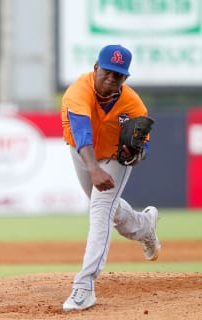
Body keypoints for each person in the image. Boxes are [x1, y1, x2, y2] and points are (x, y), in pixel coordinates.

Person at [60, 44, 161, 311]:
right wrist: (94, 169)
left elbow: (143, 150)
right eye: (107, 71)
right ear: (96, 68)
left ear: (125, 78)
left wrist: (133, 156)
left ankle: (85, 286)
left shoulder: (133, 104)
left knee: (101, 210)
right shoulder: (77, 92)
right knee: (112, 212)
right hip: (84, 153)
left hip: (115, 158)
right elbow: (82, 136)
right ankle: (145, 226)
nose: (111, 78)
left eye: (118, 75)